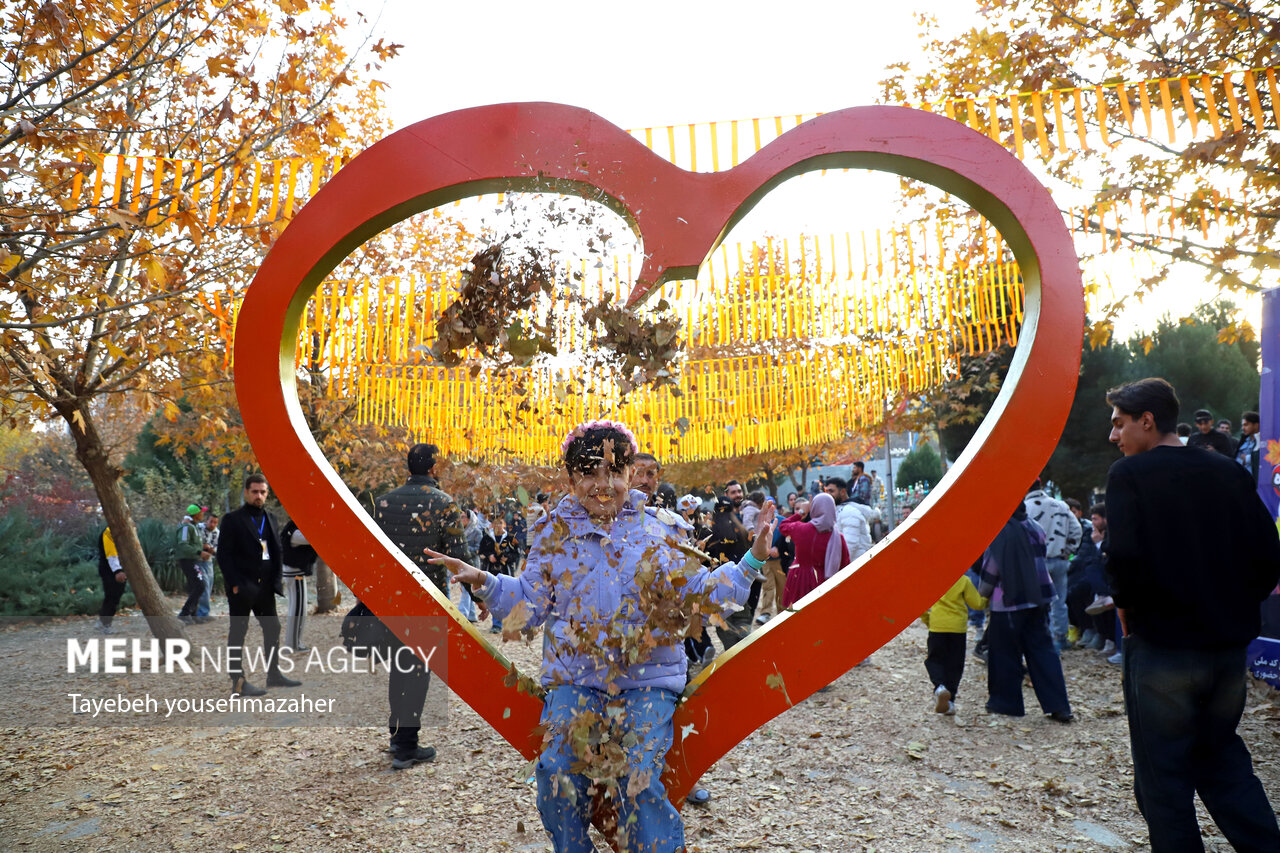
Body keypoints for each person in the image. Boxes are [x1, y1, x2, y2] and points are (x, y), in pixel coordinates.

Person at [431, 419, 774, 853]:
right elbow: (530, 605)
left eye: (614, 471)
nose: (603, 484)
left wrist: (751, 564)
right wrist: (484, 581)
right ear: (571, 478)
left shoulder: (661, 530)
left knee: (637, 773)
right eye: (589, 473)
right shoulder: (553, 535)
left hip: (646, 682)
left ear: (631, 474)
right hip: (577, 680)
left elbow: (698, 595)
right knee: (555, 769)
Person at [1104, 377, 1280, 851]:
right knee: (1222, 761)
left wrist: (1126, 607)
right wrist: (1235, 610)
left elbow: (1121, 555)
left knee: (1163, 783)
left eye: (1119, 424)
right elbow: (1268, 554)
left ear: (1148, 420)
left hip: (1161, 648)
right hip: (1225, 652)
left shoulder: (1129, 476)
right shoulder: (1228, 472)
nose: (1113, 436)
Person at [373, 442, 474, 770]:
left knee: (399, 669)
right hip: (426, 601)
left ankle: (396, 736)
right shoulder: (445, 503)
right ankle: (406, 746)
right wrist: (482, 596)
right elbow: (460, 559)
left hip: (390, 601)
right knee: (418, 672)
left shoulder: (384, 503)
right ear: (433, 469)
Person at [976, 503, 1073, 723]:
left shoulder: (999, 531)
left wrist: (983, 592)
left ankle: (1006, 702)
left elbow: (991, 569)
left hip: (1008, 601)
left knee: (1004, 653)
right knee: (1043, 652)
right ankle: (1058, 706)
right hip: (1039, 597)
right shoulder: (1035, 527)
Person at [217, 475, 299, 697]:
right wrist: (234, 584)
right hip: (242, 587)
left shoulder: (270, 518)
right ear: (246, 492)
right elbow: (223, 555)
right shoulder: (232, 520)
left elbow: (276, 550)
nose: (259, 496)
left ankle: (274, 674)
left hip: (265, 589)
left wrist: (276, 581)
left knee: (273, 628)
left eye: (263, 492)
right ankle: (238, 681)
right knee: (238, 633)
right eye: (254, 492)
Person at [1023, 480, 1081, 652]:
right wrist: (1068, 550)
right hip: (1060, 558)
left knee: (1037, 601)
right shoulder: (1061, 506)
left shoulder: (1026, 508)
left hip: (1036, 562)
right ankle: (1061, 638)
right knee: (1059, 601)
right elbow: (1077, 530)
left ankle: (1041, 636)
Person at [920, 572, 987, 715]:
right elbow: (977, 604)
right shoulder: (963, 580)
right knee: (955, 665)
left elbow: (920, 603)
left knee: (934, 660)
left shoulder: (931, 579)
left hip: (937, 626)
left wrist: (928, 620)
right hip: (958, 629)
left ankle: (939, 687)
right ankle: (950, 701)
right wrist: (989, 598)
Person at [779, 493, 849, 608]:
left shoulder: (801, 529)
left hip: (799, 579)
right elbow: (845, 565)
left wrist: (802, 512)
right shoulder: (838, 537)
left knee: (797, 619)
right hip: (824, 581)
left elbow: (783, 526)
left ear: (814, 509)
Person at [279, 520, 316, 653]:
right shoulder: (295, 532)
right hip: (295, 573)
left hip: (293, 573)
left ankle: (294, 643)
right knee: (298, 610)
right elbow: (315, 537)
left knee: (298, 609)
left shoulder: (293, 531)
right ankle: (293, 645)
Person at [477, 515, 519, 634]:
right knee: (494, 597)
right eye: (495, 523)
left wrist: (508, 558)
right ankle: (496, 624)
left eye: (500, 523)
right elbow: (481, 551)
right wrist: (489, 556)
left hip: (506, 572)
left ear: (504, 524)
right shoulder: (487, 538)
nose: (497, 525)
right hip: (491, 571)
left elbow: (516, 554)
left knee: (508, 597)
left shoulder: (510, 538)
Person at [174, 504, 209, 626]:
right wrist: (199, 552)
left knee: (194, 586)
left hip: (192, 559)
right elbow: (183, 544)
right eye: (201, 512)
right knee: (200, 585)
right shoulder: (186, 527)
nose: (203, 514)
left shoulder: (193, 526)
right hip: (187, 560)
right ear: (195, 514)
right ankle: (184, 614)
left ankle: (193, 615)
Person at [824, 476, 872, 562]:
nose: (828, 494)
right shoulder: (838, 510)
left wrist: (837, 564)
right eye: (826, 491)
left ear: (842, 492)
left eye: (831, 491)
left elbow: (850, 544)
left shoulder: (849, 511)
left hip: (856, 564)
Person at [96, 525, 127, 634]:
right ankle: (106, 624)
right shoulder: (109, 532)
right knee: (113, 597)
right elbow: (111, 555)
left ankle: (102, 621)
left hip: (113, 569)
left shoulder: (117, 531)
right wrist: (117, 571)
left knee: (112, 597)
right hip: (110, 570)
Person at [195, 513, 219, 622]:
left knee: (209, 585)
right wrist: (203, 547)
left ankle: (204, 612)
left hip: (209, 561)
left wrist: (211, 550)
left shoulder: (217, 532)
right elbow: (194, 543)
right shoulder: (198, 528)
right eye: (211, 521)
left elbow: (217, 547)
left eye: (215, 522)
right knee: (203, 585)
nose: (213, 524)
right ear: (206, 521)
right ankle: (201, 613)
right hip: (198, 560)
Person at [1236, 410, 1261, 480]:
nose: (1243, 428)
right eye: (1242, 425)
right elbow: (1238, 460)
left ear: (1256, 425)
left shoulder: (1263, 442)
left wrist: (1248, 458)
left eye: (1246, 425)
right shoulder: (1243, 440)